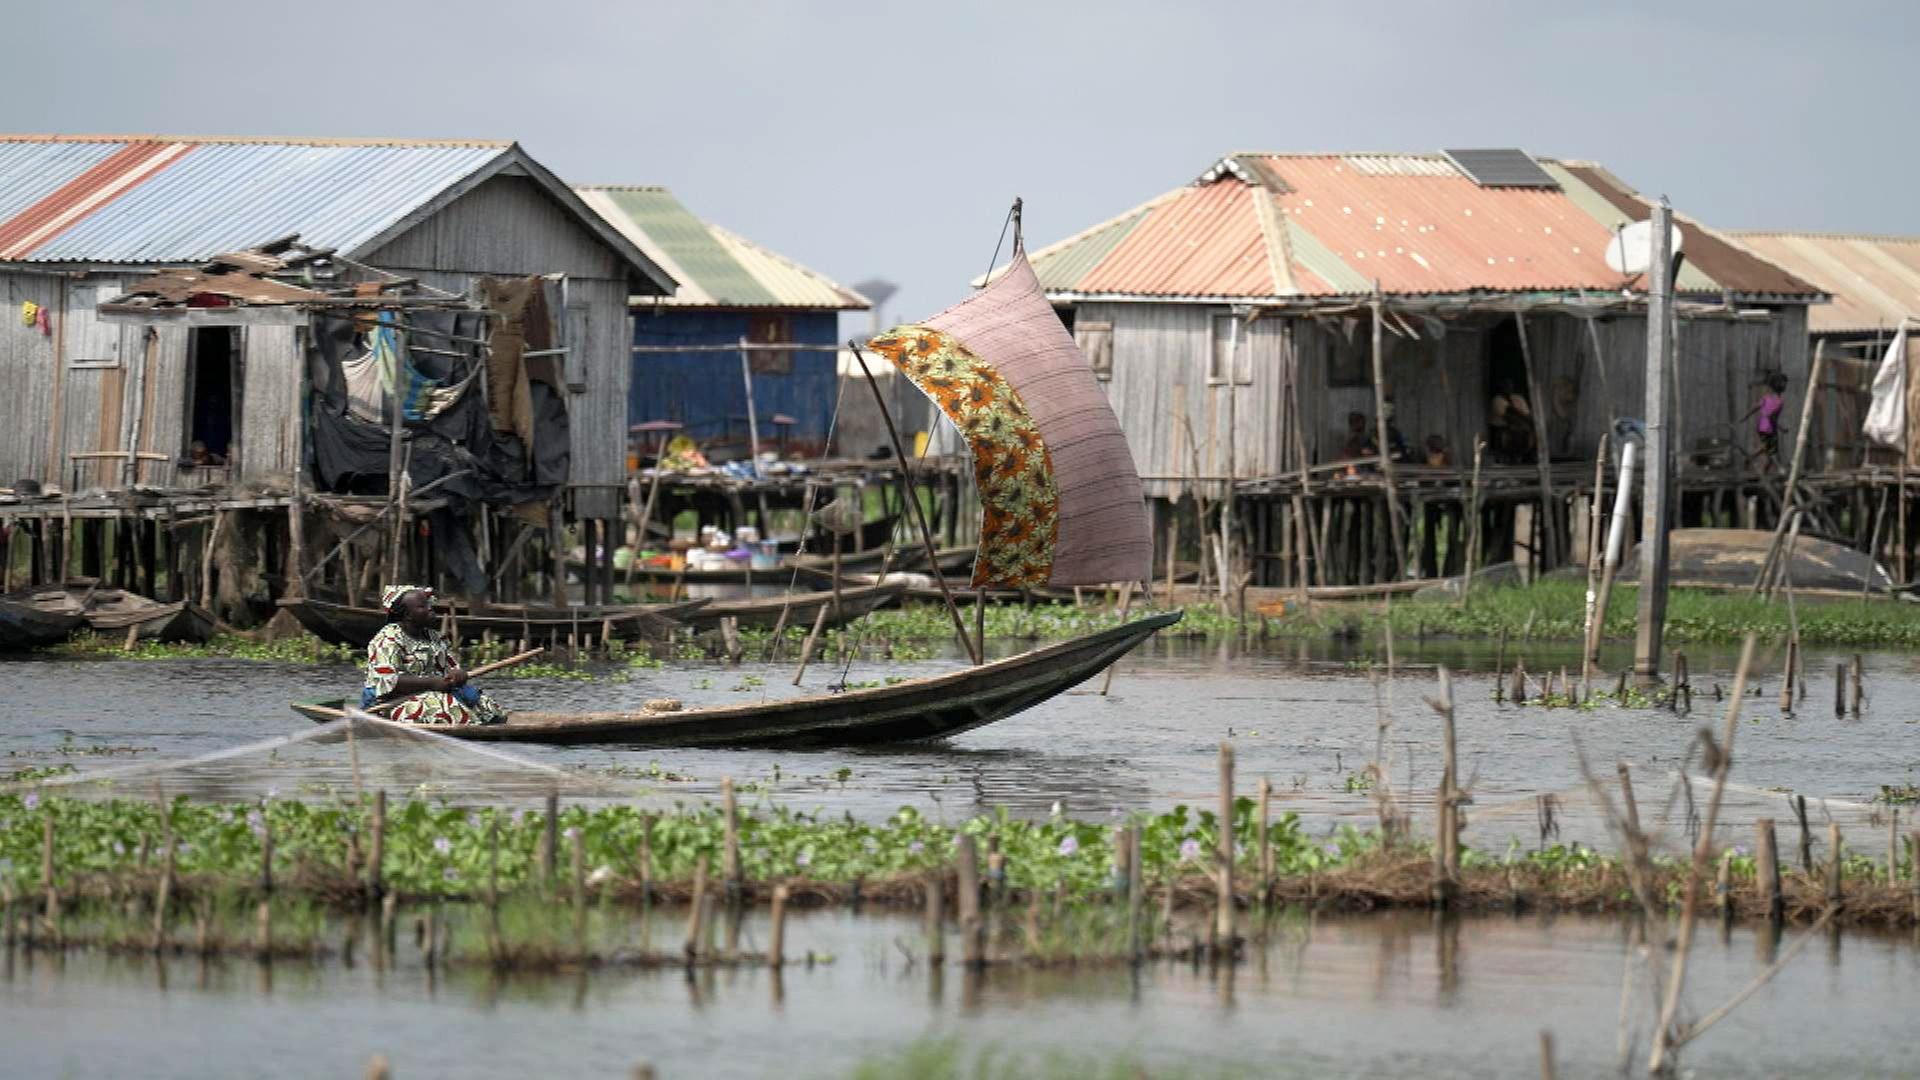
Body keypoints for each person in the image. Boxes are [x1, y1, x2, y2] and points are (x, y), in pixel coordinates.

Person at [363, 585, 505, 725]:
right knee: (446, 709)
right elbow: (387, 681)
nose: (430, 608)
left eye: (428, 604)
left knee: (489, 708)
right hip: (390, 704)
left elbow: (451, 668)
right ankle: (470, 727)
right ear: (407, 615)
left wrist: (459, 674)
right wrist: (432, 682)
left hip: (432, 694)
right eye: (422, 606)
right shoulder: (388, 639)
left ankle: (475, 724)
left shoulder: (434, 637)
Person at [1756, 372, 1788, 467]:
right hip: (1769, 428)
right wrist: (1781, 428)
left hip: (1763, 427)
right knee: (1771, 451)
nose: (1785, 385)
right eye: (1783, 383)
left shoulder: (1768, 397)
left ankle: (1764, 474)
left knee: (1768, 449)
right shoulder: (1778, 401)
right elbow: (1771, 416)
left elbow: (1757, 407)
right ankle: (1780, 469)